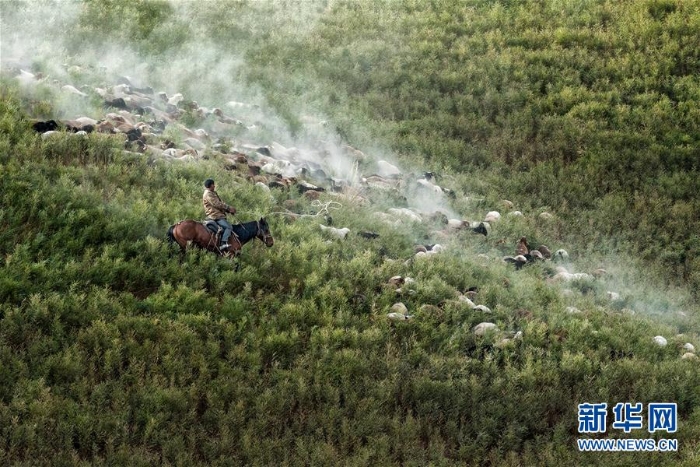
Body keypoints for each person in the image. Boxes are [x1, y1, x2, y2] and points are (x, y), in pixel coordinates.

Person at [202, 178, 236, 250]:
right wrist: (229, 208)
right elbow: (216, 204)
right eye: (213, 185)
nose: (214, 186)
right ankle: (223, 243)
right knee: (229, 227)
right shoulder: (208, 194)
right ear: (211, 185)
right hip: (215, 215)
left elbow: (220, 203)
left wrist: (228, 210)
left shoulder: (212, 193)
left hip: (216, 214)